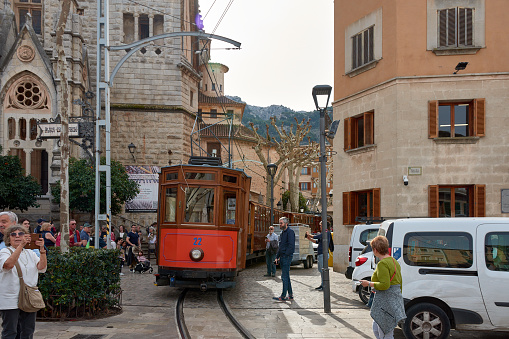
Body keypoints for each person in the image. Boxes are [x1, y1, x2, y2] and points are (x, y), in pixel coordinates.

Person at [0, 225, 47, 338]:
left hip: (29, 297)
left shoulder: (30, 253)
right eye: (13, 234)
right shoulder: (4, 252)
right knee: (10, 332)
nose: (17, 236)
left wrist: (42, 250)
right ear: (8, 238)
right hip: (10, 298)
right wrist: (21, 245)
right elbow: (8, 265)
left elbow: (41, 267)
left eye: (20, 234)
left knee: (28, 330)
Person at [360, 236, 406, 339]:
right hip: (393, 300)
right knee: (377, 328)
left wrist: (368, 283)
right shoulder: (394, 261)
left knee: (385, 332)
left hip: (385, 302)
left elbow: (385, 285)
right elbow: (400, 282)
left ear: (375, 250)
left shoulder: (382, 264)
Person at [305, 221, 332, 291]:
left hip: (323, 254)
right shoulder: (325, 233)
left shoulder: (326, 232)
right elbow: (317, 241)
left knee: (322, 270)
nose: (320, 227)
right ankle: (323, 284)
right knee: (321, 270)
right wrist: (310, 239)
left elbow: (317, 237)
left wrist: (309, 234)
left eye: (321, 225)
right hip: (322, 254)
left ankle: (324, 285)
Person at [273, 217, 295, 301]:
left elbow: (291, 246)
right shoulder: (282, 233)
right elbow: (280, 246)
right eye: (279, 223)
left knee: (284, 276)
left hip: (286, 257)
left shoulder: (290, 232)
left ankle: (283, 296)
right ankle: (290, 295)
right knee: (286, 276)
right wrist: (277, 257)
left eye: (281, 223)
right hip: (282, 257)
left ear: (286, 223)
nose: (280, 225)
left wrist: (285, 255)